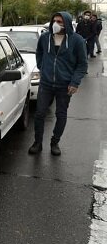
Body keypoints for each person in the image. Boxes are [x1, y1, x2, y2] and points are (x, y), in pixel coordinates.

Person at [29, 11, 87, 156]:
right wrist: (42, 66)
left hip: (65, 85)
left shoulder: (77, 40)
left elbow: (82, 65)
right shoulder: (45, 37)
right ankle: (37, 142)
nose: (56, 24)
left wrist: (74, 82)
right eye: (54, 21)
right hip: (46, 84)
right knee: (39, 113)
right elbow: (39, 52)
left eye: (60, 22)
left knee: (61, 114)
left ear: (66, 23)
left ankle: (55, 142)